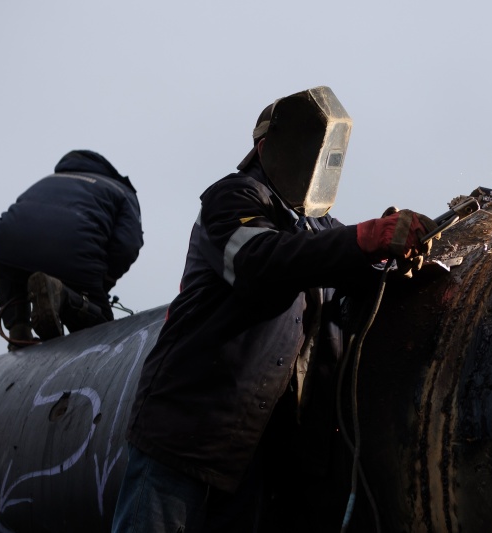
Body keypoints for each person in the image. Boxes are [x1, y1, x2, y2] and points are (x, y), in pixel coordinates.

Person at [111, 86, 437, 533]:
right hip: (187, 438)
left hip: (257, 457)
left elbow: (349, 288)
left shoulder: (318, 227)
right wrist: (363, 239)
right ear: (264, 149)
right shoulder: (231, 201)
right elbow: (259, 262)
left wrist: (401, 259)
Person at [0, 149, 143, 348]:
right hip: (74, 250)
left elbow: (16, 225)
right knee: (104, 334)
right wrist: (102, 282)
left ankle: (19, 329)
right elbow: (127, 245)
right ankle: (62, 296)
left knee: (9, 265)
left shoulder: (46, 181)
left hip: (7, 245)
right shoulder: (122, 191)